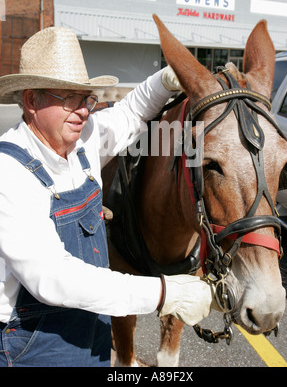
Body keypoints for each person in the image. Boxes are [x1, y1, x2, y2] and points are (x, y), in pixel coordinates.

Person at [0, 26, 215, 367]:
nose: (84, 111)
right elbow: (52, 278)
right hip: (34, 347)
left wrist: (165, 80)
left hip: (93, 329)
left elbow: (130, 114)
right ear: (31, 100)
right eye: (68, 98)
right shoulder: (9, 173)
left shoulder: (82, 140)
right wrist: (163, 293)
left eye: (86, 98)